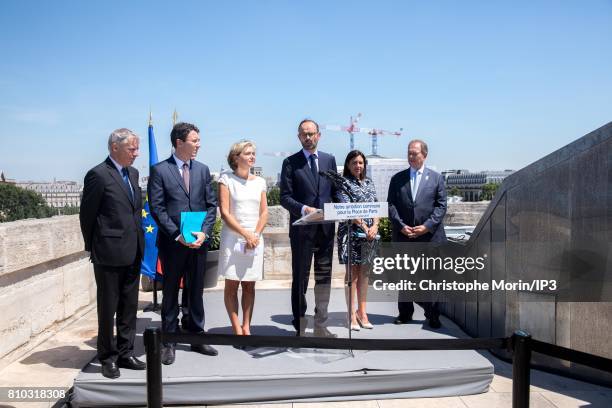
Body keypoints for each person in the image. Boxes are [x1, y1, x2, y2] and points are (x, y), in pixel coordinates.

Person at [148, 122, 218, 365]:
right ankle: (169, 339)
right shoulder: (160, 171)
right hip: (172, 243)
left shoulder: (203, 169)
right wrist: (177, 235)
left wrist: (205, 233)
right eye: (195, 140)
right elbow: (157, 208)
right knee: (170, 291)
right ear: (179, 143)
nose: (199, 144)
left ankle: (197, 335)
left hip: (198, 243)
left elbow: (211, 205)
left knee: (196, 289)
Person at [79, 128, 146, 378]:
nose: (136, 154)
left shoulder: (134, 173)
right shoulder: (98, 175)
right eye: (132, 149)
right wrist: (94, 247)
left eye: (137, 148)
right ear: (114, 148)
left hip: (134, 249)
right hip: (108, 252)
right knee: (108, 308)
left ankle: (126, 352)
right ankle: (108, 357)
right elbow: (87, 215)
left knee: (129, 306)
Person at [280, 119, 338, 337]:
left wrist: (339, 208)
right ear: (299, 137)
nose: (308, 137)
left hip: (325, 231)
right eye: (304, 134)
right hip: (302, 232)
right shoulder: (290, 162)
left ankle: (321, 325)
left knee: (324, 279)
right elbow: (285, 197)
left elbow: (335, 192)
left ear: (319, 135)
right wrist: (304, 209)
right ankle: (301, 324)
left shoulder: (329, 160)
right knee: (301, 279)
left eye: (312, 133)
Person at [387, 139, 447, 329]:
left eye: (414, 153)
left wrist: (427, 226)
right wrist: (401, 225)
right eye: (409, 152)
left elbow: (441, 206)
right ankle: (405, 313)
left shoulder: (437, 178)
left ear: (424, 155)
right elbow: (390, 206)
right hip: (404, 235)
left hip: (429, 237)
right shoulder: (397, 179)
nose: (411, 156)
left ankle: (433, 314)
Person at [218, 140, 268, 335]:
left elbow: (264, 213)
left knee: (249, 284)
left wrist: (254, 234)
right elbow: (225, 212)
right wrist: (245, 234)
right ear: (236, 157)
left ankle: (247, 326)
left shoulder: (261, 182)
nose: (252, 156)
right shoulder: (226, 179)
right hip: (233, 238)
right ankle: (236, 327)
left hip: (254, 239)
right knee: (232, 284)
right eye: (248, 153)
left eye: (253, 153)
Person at [335, 150, 379, 331]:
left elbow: (376, 205)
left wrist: (375, 225)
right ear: (348, 165)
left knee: (365, 274)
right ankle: (351, 314)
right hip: (351, 233)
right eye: (354, 162)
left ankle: (363, 312)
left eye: (360, 162)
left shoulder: (369, 182)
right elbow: (347, 209)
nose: (358, 166)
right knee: (352, 274)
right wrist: (364, 227)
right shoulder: (342, 183)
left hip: (369, 234)